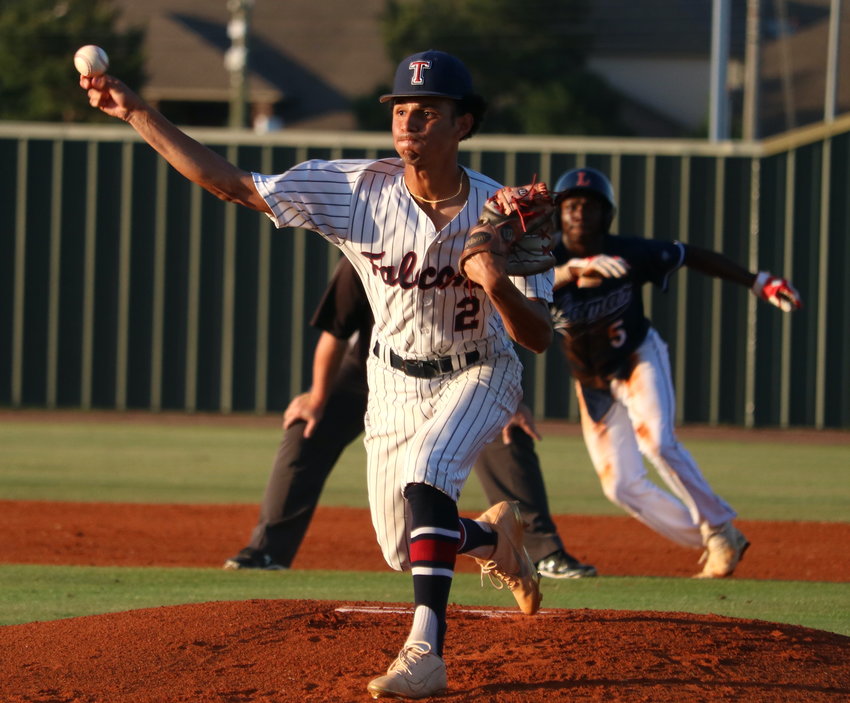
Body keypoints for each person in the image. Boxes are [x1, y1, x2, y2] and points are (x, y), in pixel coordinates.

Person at [81, 49, 555, 699]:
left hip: (480, 370)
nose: (410, 122)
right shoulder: (358, 189)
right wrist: (137, 111)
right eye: (402, 110)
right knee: (405, 546)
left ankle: (426, 651)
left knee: (427, 472)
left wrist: (497, 282)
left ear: (463, 124)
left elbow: (540, 337)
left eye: (429, 111)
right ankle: (492, 537)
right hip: (391, 381)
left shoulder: (500, 215)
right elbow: (234, 184)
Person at [223, 256, 596, 579]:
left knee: (507, 429)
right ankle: (266, 551)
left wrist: (509, 399)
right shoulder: (371, 247)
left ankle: (542, 552)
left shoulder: (474, 250)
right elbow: (336, 330)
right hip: (377, 367)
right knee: (307, 428)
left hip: (465, 367)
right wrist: (318, 396)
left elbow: (511, 323)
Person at [548, 166, 802, 579]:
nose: (579, 213)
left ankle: (718, 528)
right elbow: (511, 285)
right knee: (620, 487)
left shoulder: (628, 252)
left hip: (635, 357)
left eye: (589, 206)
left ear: (606, 215)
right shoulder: (544, 262)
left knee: (660, 443)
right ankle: (716, 537)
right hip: (591, 381)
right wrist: (570, 272)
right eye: (570, 205)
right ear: (558, 213)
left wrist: (758, 281)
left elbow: (690, 255)